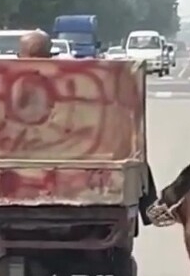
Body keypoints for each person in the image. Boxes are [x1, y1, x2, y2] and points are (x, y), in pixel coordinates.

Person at [17, 29, 160, 227]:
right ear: (50, 54)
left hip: (23, 152)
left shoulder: (5, 81)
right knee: (133, 150)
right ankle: (149, 209)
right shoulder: (66, 78)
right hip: (69, 153)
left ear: (20, 54)